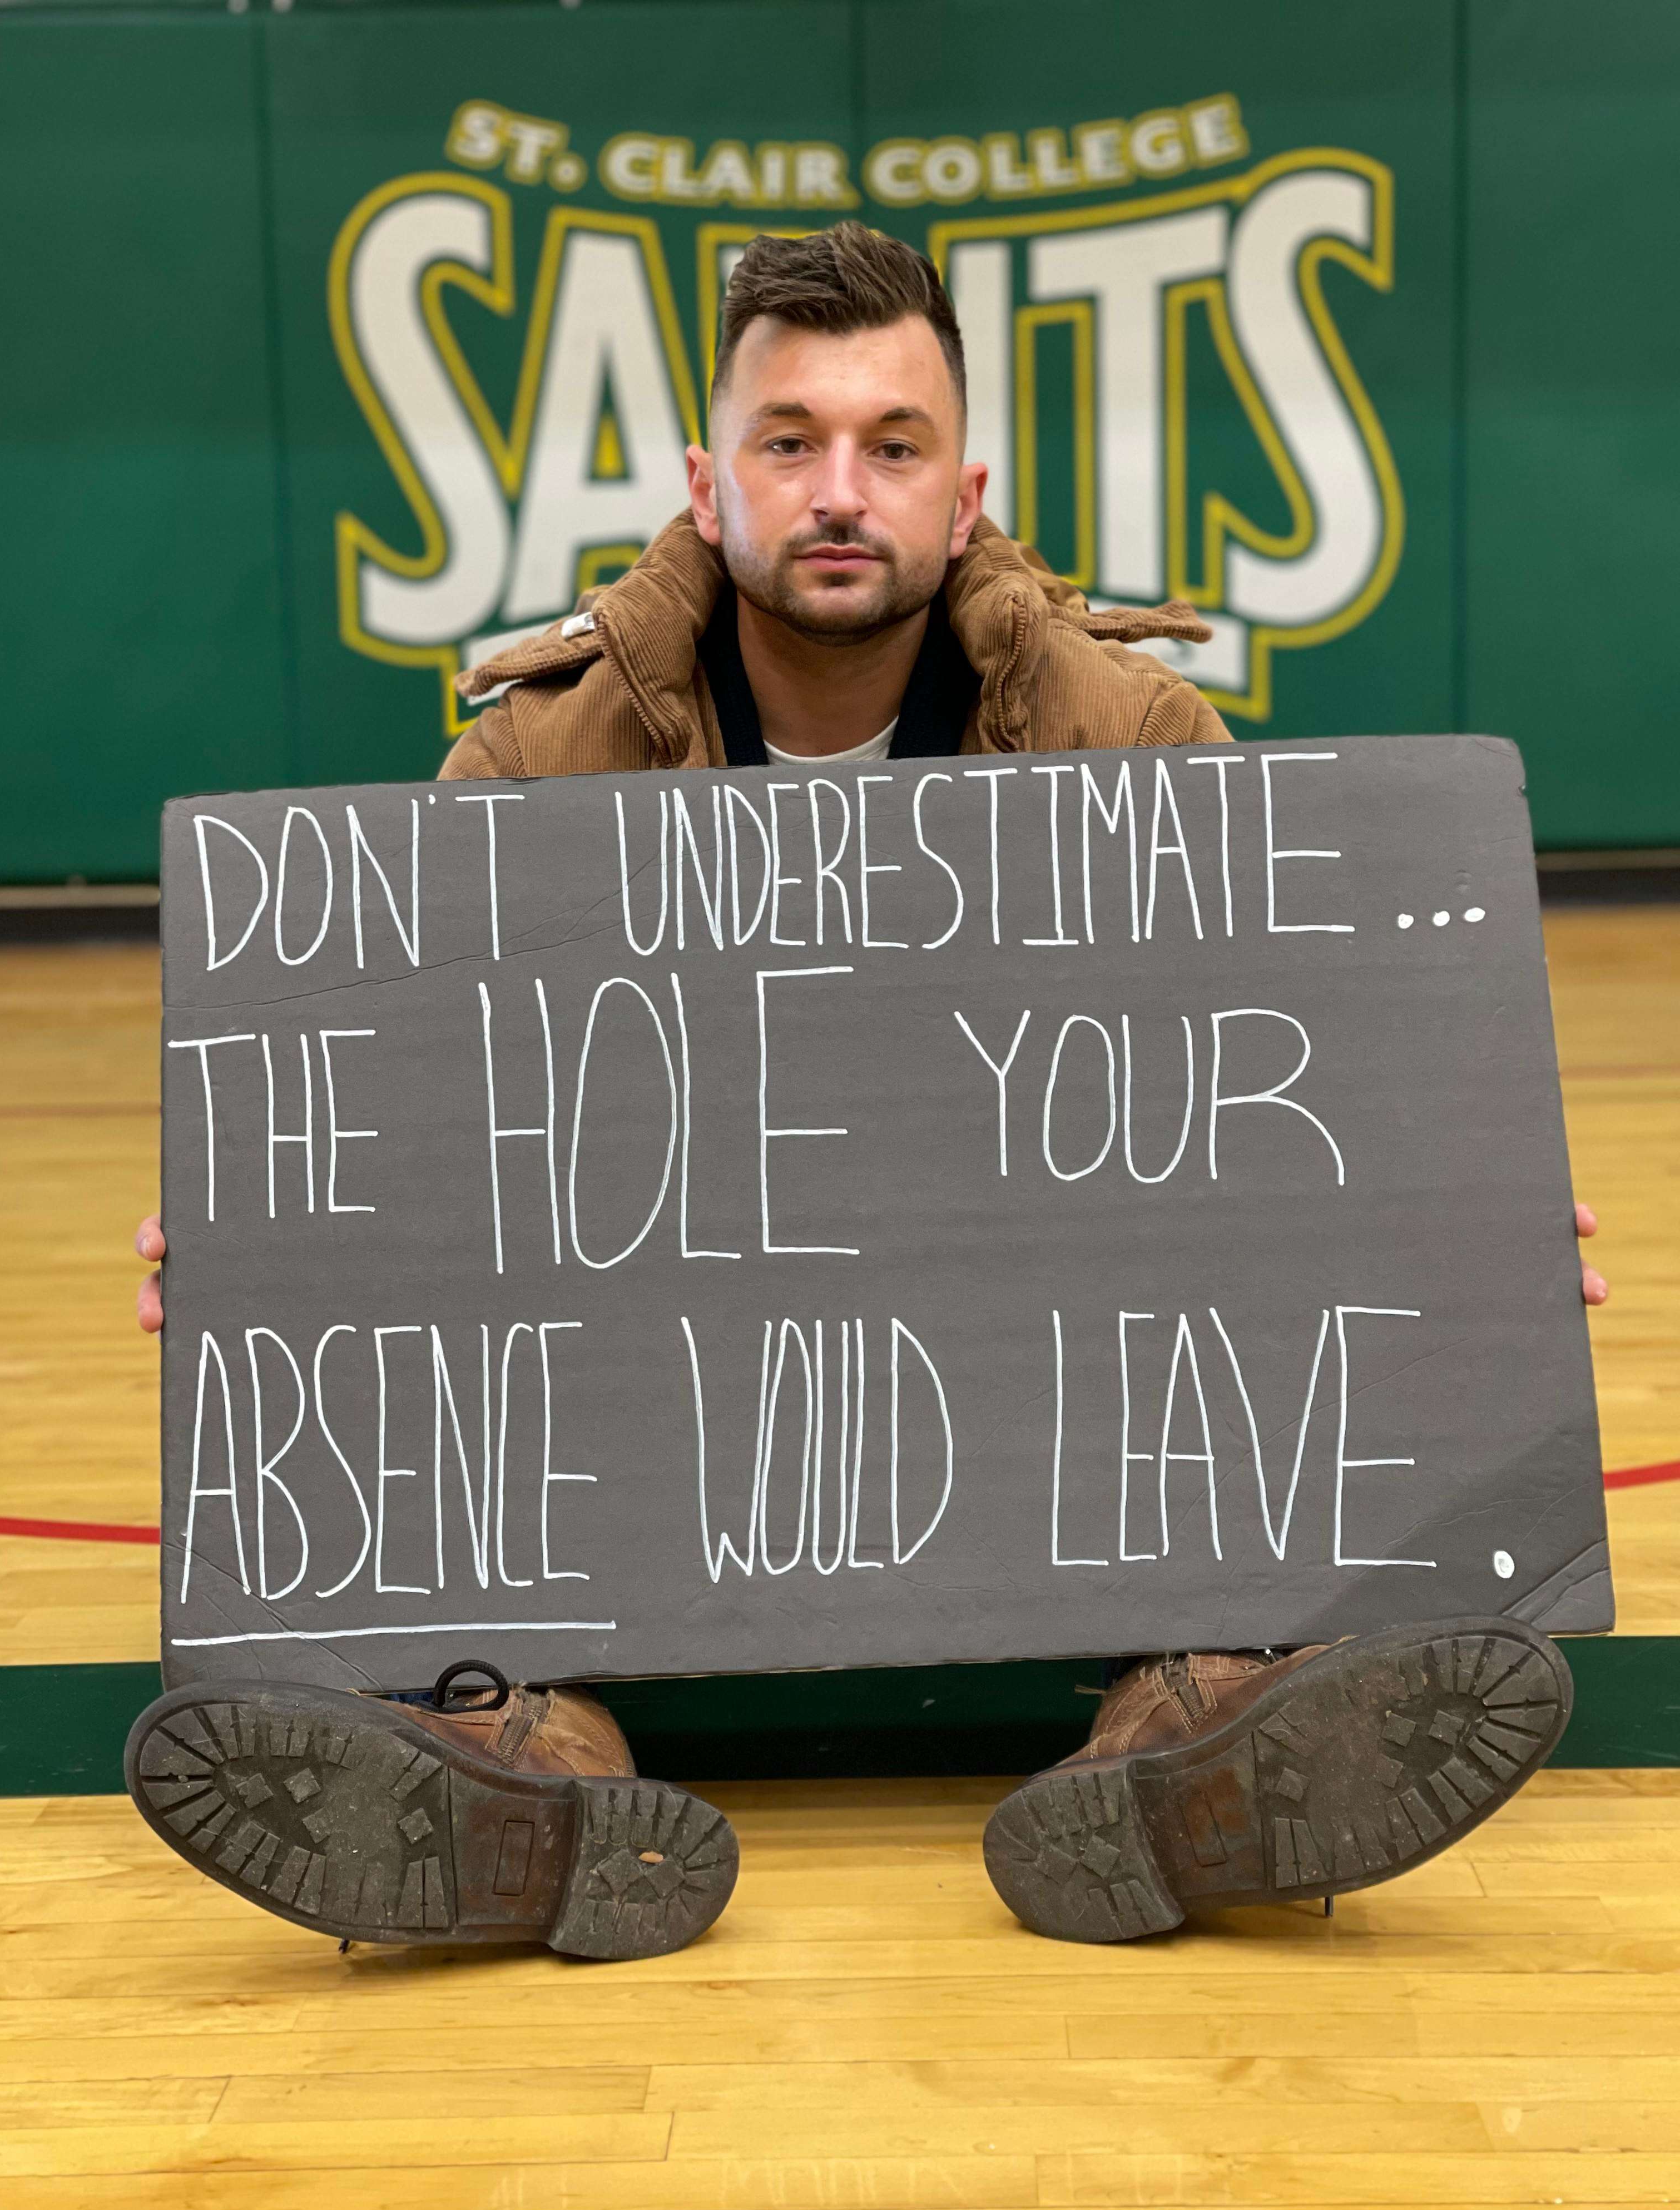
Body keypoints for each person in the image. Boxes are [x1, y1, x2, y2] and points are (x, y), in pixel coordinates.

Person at [131, 222, 1609, 1955]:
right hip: (668, 1409)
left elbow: (1298, 1088)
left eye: (893, 447)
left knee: (1227, 1395)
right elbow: (426, 1129)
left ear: (962, 497)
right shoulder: (538, 753)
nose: (841, 491)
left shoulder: (1126, 731)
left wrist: (1464, 1219)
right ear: (709, 487)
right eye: (791, 442)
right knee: (480, 1437)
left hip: (1038, 1404)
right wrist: (271, 1240)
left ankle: (1192, 1731)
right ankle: (514, 1758)